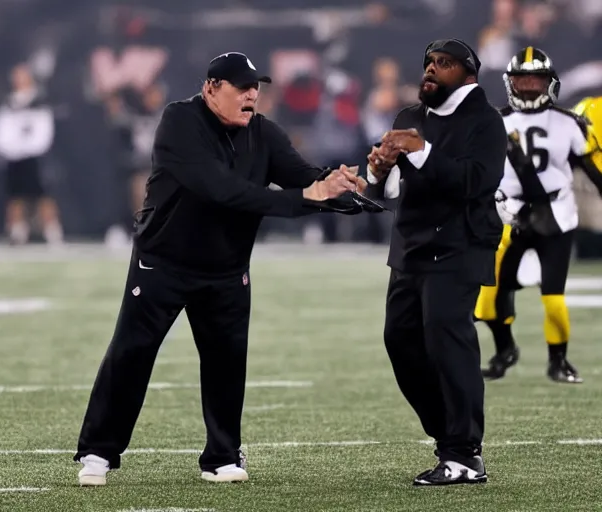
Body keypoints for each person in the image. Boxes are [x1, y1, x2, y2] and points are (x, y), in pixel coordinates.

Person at [73, 51, 368, 486]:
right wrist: (310, 196)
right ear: (211, 87)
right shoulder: (180, 121)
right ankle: (99, 451)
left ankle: (222, 455)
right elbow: (223, 191)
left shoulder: (263, 132)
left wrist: (341, 188)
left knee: (227, 362)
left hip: (226, 269)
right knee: (131, 354)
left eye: (256, 88)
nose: (252, 95)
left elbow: (302, 176)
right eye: (242, 87)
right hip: (163, 263)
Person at [365, 39, 506, 486]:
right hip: (411, 248)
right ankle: (449, 435)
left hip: (462, 245)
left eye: (443, 64)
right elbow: (386, 194)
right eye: (428, 62)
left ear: (469, 74)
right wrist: (379, 169)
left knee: (449, 343)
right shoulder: (409, 118)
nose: (431, 69)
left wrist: (421, 152)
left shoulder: (486, 122)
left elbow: (476, 182)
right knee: (400, 341)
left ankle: (463, 453)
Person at [475, 49, 602, 383]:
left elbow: (590, 169)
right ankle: (505, 350)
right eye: (523, 81)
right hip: (509, 214)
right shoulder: (495, 123)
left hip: (555, 214)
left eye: (536, 81)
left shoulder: (569, 122)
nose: (529, 88)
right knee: (488, 301)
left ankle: (558, 361)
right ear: (510, 84)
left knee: (554, 298)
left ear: (550, 84)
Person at [0, 64, 63, 246]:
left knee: (44, 196)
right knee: (15, 196)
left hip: (37, 158)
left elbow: (44, 134)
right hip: (14, 158)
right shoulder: (7, 103)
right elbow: (1, 134)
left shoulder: (41, 102)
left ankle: (52, 231)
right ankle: (17, 231)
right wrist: (12, 150)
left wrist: (28, 149)